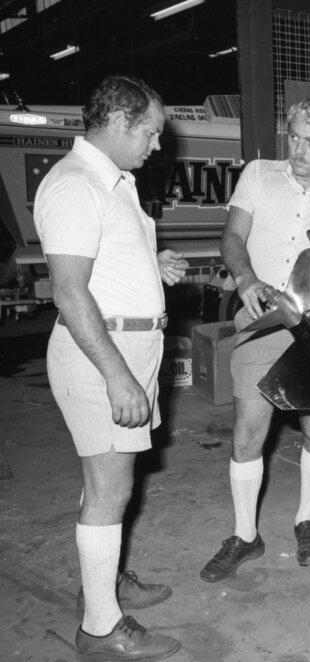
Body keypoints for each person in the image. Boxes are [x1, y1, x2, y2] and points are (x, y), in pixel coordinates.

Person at [34, 75, 187, 660]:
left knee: (106, 482)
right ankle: (100, 627)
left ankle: (103, 583)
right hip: (103, 355)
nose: (157, 144)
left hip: (128, 347)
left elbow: (102, 261)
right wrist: (117, 375)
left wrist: (151, 262)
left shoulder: (112, 180)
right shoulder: (76, 185)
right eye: (150, 131)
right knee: (110, 488)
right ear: (120, 122)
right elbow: (70, 292)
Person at [200, 98, 310, 582]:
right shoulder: (259, 174)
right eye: (293, 136)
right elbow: (233, 237)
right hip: (261, 319)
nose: (297, 149)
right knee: (247, 434)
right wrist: (246, 279)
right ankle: (245, 535)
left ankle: (306, 519)